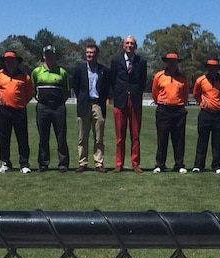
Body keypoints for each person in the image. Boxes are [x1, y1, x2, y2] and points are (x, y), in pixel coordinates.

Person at [108, 35, 147, 172]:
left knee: (135, 135)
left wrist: (135, 93)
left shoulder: (141, 62)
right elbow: (112, 80)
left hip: (135, 101)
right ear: (123, 46)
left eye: (132, 43)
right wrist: (117, 95)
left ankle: (135, 163)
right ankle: (119, 163)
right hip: (120, 101)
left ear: (135, 46)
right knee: (120, 136)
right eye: (127, 43)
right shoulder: (116, 61)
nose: (129, 45)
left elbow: (143, 81)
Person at [0, 51, 33, 173]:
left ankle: (24, 164)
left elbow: (29, 94)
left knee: (22, 138)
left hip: (19, 110)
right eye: (7, 60)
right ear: (4, 62)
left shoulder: (25, 77)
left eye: (12, 60)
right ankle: (5, 163)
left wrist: (19, 103)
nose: (9, 63)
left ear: (17, 62)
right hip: (3, 110)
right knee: (3, 138)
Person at [31, 45, 70, 172]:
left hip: (58, 107)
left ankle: (63, 163)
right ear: (43, 56)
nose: (49, 56)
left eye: (51, 54)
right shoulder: (36, 72)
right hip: (43, 107)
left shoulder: (62, 72)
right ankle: (43, 163)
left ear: (55, 55)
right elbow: (33, 89)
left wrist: (58, 103)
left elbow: (66, 92)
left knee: (61, 136)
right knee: (43, 137)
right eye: (46, 54)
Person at [72, 43, 109, 172]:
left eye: (92, 53)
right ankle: (83, 162)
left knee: (99, 136)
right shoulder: (79, 69)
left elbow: (106, 88)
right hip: (84, 105)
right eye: (87, 52)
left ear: (97, 55)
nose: (89, 55)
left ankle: (99, 163)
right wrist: (82, 98)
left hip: (98, 105)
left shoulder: (104, 70)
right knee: (82, 136)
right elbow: (75, 86)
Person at [150, 52, 189, 173]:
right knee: (162, 137)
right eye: (169, 61)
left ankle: (179, 164)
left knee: (179, 138)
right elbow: (154, 93)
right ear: (166, 62)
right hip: (163, 109)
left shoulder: (183, 78)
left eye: (174, 62)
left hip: (178, 110)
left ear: (177, 63)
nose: (172, 64)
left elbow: (185, 95)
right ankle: (160, 164)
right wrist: (162, 102)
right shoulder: (159, 76)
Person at [192, 58, 220, 173]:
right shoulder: (201, 80)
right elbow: (196, 94)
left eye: (214, 67)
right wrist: (201, 102)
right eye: (210, 67)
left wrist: (218, 104)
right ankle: (198, 165)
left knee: (217, 141)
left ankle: (216, 165)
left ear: (218, 69)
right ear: (208, 68)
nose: (212, 69)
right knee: (202, 140)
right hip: (205, 114)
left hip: (218, 114)